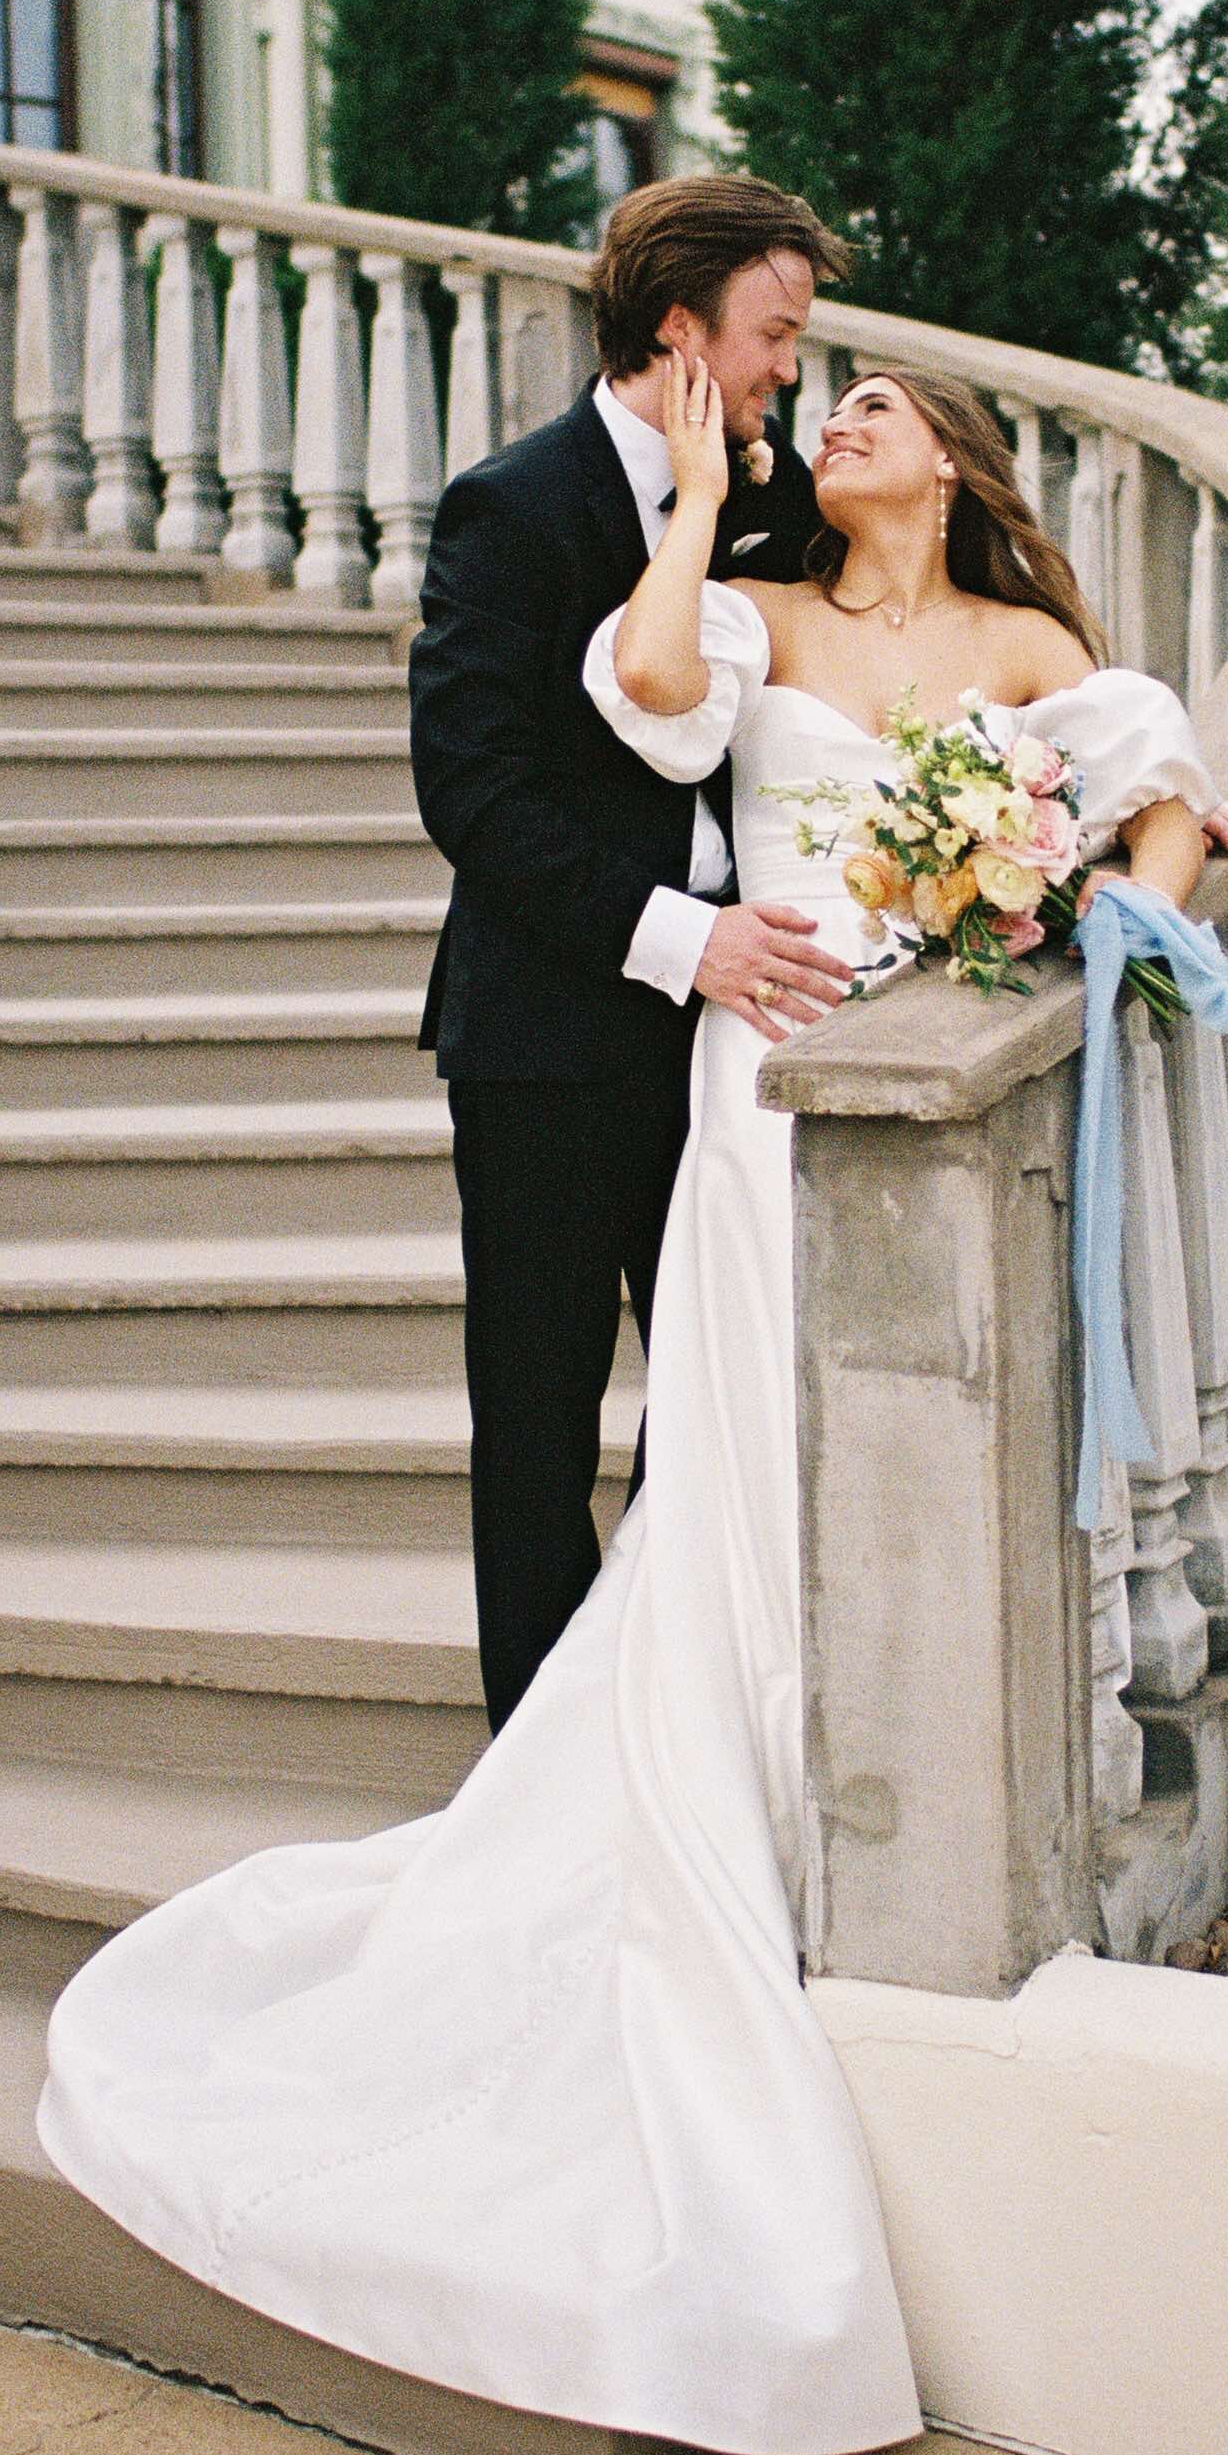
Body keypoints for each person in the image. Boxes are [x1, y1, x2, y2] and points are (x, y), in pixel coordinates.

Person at [37, 349, 1228, 2455]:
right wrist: (699, 498)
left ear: (959, 463)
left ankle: (844, 1776)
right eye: (833, 389)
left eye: (882, 402)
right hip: (758, 1074)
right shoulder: (762, 608)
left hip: (918, 1071)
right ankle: (745, 1798)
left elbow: (1147, 777)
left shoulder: (1026, 637)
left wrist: (1114, 880)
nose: (845, 411)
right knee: (729, 1454)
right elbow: (642, 695)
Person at [406, 173, 856, 1737]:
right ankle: (542, 1770)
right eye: (772, 337)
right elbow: (468, 789)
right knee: (534, 1431)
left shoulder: (779, 489)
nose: (787, 372)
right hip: (544, 1043)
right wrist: (687, 942)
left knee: (722, 1403)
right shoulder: (511, 508)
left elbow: (918, 633)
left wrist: (1143, 772)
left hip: (735, 1055)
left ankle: (676, 1726)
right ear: (679, 329)